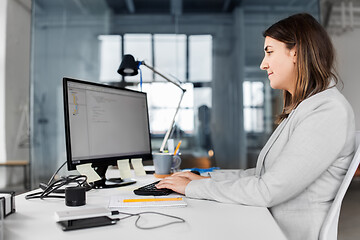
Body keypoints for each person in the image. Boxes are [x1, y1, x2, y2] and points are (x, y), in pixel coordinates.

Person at [156, 13, 356, 240]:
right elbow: (262, 176)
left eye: (269, 51)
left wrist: (192, 188)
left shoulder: (327, 112)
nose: (263, 64)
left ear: (296, 52)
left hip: (282, 233)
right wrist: (204, 178)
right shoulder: (306, 108)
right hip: (266, 223)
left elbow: (267, 190)